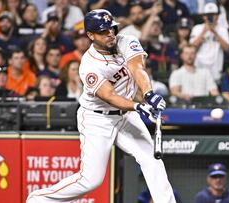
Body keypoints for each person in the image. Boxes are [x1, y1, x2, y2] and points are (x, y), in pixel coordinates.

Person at [27, 9, 176, 203]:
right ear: (91, 35)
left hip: (125, 115)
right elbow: (110, 96)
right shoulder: (88, 65)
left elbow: (137, 68)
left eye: (111, 28)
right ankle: (39, 199)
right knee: (91, 180)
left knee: (152, 160)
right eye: (103, 31)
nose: (110, 34)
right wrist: (138, 107)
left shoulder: (126, 40)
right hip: (97, 119)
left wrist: (148, 94)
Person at [190, 2, 229, 82]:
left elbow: (227, 48)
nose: (210, 17)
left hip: (215, 67)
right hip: (199, 66)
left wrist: (215, 32)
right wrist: (203, 32)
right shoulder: (197, 28)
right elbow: (192, 47)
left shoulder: (223, 29)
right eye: (208, 15)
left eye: (213, 14)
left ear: (218, 16)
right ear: (203, 16)